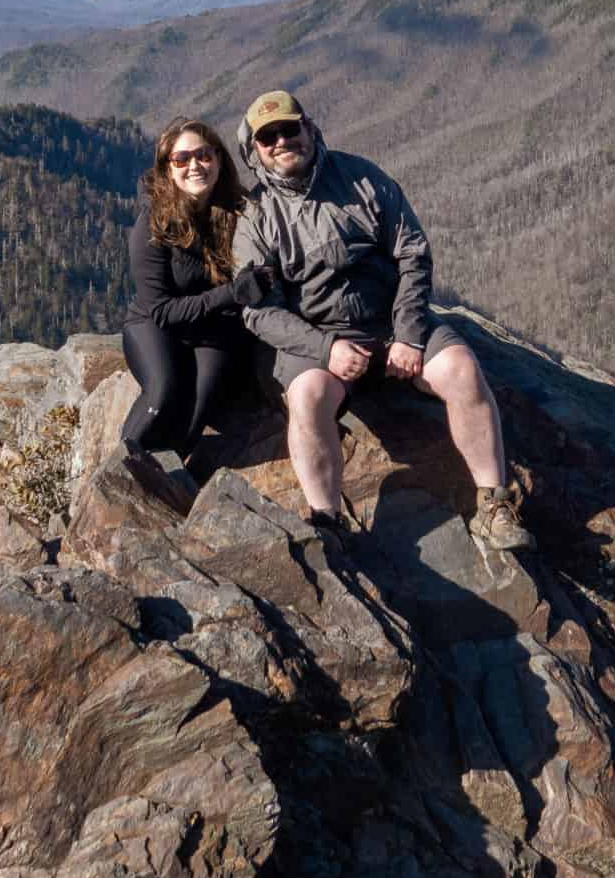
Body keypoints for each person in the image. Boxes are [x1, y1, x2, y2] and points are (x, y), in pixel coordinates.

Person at [229, 90, 534, 552]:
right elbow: (259, 310)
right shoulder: (257, 217)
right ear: (253, 150)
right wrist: (325, 348)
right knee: (309, 398)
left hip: (392, 323)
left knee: (460, 371)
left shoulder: (363, 180)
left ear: (309, 129)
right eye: (267, 137)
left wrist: (410, 336)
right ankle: (329, 522)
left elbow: (412, 254)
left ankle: (493, 506)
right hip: (318, 339)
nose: (281, 141)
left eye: (289, 129)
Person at [121, 116, 273, 480]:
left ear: (219, 159)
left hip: (213, 327)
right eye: (181, 159)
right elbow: (161, 311)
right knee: (164, 391)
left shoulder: (237, 212)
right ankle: (123, 470)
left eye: (204, 155)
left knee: (203, 398)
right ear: (167, 169)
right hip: (154, 325)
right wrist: (231, 295)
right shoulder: (153, 224)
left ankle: (170, 480)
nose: (194, 166)